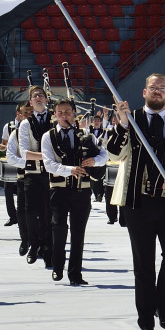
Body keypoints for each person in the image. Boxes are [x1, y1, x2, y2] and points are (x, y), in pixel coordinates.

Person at [108, 73, 165, 330]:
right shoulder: (131, 120)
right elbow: (114, 153)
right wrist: (123, 125)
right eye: (153, 88)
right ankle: (146, 321)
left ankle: (163, 306)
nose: (157, 92)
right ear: (144, 92)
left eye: (162, 88)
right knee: (144, 264)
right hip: (137, 203)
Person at [41, 98, 106, 285]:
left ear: (74, 113)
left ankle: (75, 274)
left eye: (67, 112)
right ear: (54, 114)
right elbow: (49, 164)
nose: (64, 116)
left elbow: (104, 155)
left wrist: (95, 161)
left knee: (79, 232)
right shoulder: (48, 136)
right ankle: (57, 267)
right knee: (59, 229)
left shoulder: (85, 135)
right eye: (60, 112)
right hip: (58, 190)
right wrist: (70, 170)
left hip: (82, 191)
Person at [16, 86, 54, 268]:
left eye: (41, 95)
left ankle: (48, 247)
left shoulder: (55, 119)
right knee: (30, 211)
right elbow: (24, 152)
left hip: (52, 174)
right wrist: (47, 157)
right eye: (34, 96)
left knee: (49, 212)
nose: (38, 98)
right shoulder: (25, 123)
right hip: (32, 173)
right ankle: (33, 244)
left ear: (46, 99)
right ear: (30, 102)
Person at [0, 104, 27, 228]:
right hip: (12, 161)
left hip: (24, 161)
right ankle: (12, 216)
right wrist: (0, 147)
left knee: (22, 189)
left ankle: (21, 215)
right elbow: (4, 145)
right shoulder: (8, 126)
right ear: (18, 113)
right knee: (8, 189)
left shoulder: (29, 126)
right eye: (23, 113)